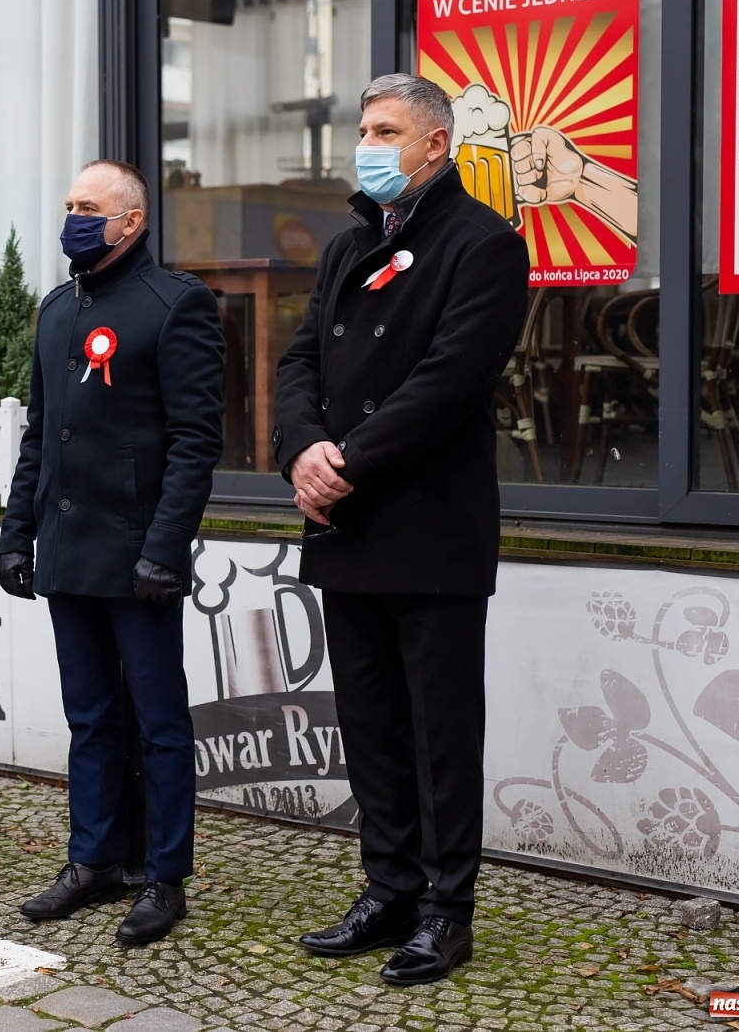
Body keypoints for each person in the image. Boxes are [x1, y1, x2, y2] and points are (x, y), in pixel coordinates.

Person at [272, 74, 528, 985]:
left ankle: (444, 909)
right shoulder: (348, 246)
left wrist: (343, 465)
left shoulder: (487, 245)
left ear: (434, 146)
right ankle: (387, 888)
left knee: (440, 734)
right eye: (363, 126)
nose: (367, 144)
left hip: (428, 532)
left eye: (385, 130)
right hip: (348, 532)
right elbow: (300, 360)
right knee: (371, 725)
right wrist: (302, 447)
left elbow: (449, 383)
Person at [0, 159, 224, 946]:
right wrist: (16, 533)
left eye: (88, 207)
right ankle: (94, 860)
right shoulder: (58, 309)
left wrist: (166, 549)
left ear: (130, 221)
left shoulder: (176, 304)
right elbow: (40, 435)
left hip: (137, 556)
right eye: (68, 204)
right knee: (90, 716)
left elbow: (196, 441)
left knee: (159, 722)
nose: (73, 218)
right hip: (68, 550)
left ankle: (163, 876)